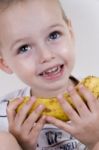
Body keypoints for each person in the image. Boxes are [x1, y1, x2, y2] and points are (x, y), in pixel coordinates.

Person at [0, 0, 99, 149]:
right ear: (4, 63)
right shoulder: (8, 114)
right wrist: (19, 145)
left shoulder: (95, 99)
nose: (46, 55)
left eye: (54, 35)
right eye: (24, 48)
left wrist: (95, 140)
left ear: (70, 33)